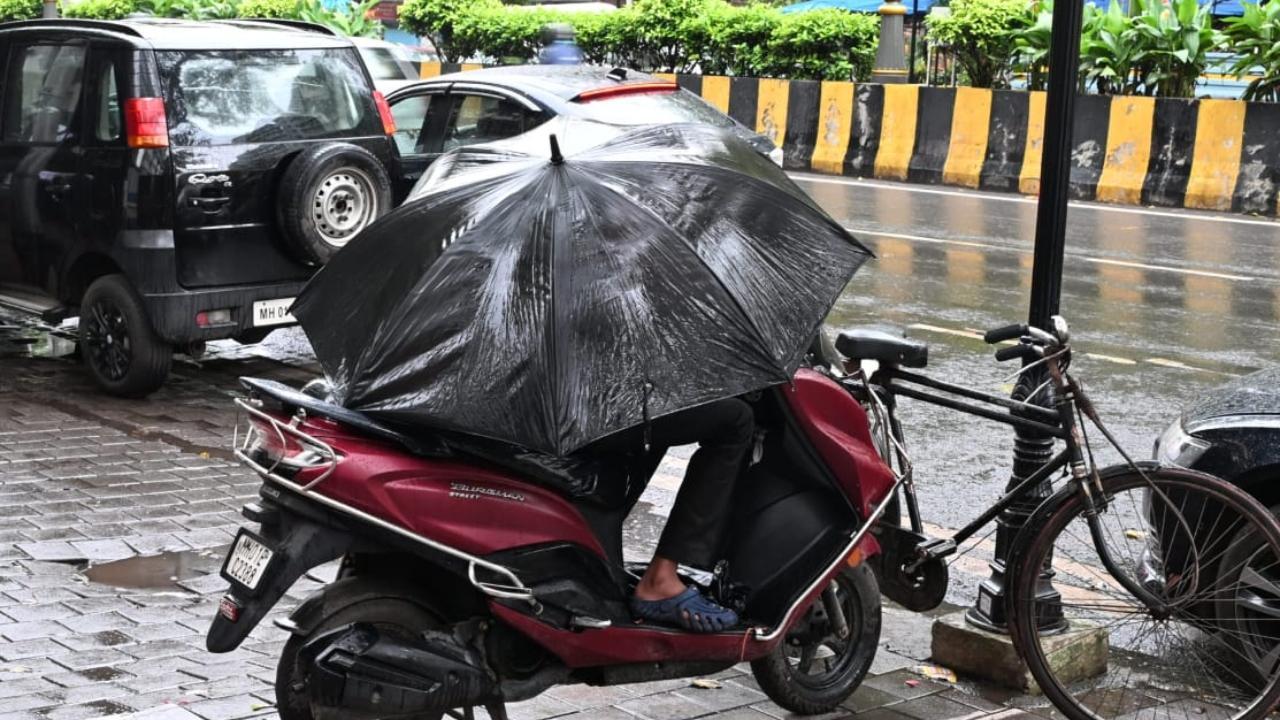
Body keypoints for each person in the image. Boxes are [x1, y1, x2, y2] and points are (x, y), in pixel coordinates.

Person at [626, 397, 755, 633]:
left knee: (660, 404)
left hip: (577, 396)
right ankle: (660, 579)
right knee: (736, 420)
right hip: (600, 404)